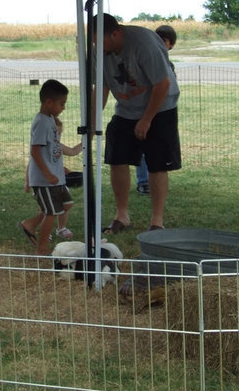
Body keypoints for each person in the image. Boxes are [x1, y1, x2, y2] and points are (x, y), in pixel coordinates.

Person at [93, 13, 180, 233]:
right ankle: (121, 216)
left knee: (157, 163)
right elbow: (102, 87)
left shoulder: (145, 44)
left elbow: (162, 84)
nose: (98, 48)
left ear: (115, 33)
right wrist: (92, 120)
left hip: (160, 106)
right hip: (126, 108)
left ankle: (156, 222)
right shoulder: (99, 49)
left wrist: (147, 119)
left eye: (100, 42)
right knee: (117, 158)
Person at [20, 79, 74, 255]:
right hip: (44, 179)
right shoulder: (42, 122)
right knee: (51, 213)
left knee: (66, 204)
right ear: (48, 102)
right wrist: (47, 173)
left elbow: (53, 147)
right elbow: (35, 152)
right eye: (62, 103)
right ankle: (41, 247)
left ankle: (31, 223)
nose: (63, 108)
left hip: (55, 176)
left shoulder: (51, 119)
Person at [135, 24, 179, 197]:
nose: (160, 43)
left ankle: (155, 182)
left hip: (162, 114)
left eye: (164, 40)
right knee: (143, 149)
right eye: (157, 39)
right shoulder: (146, 60)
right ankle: (143, 182)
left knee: (158, 153)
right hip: (145, 111)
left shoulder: (169, 65)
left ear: (171, 45)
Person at [22, 116, 81, 241]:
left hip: (58, 182)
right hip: (43, 183)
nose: (57, 136)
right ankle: (43, 231)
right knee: (48, 209)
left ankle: (51, 227)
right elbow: (31, 164)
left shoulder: (57, 145)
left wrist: (86, 141)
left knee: (66, 204)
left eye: (59, 133)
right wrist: (27, 182)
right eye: (54, 134)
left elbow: (72, 151)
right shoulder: (41, 147)